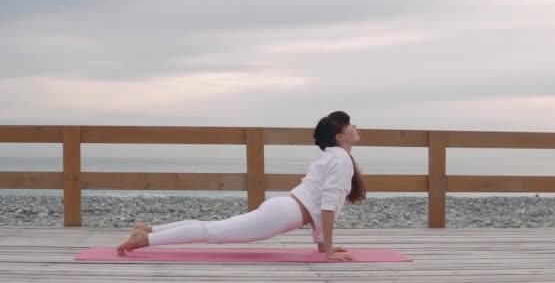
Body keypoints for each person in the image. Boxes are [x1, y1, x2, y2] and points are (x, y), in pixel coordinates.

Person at [116, 111, 367, 261]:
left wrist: (324, 245)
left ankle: (151, 229)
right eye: (349, 125)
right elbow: (326, 206)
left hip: (284, 208)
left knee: (213, 228)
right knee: (212, 233)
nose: (354, 127)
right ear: (340, 136)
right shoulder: (341, 159)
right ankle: (146, 239)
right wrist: (329, 252)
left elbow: (321, 203)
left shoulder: (331, 157)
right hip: (283, 213)